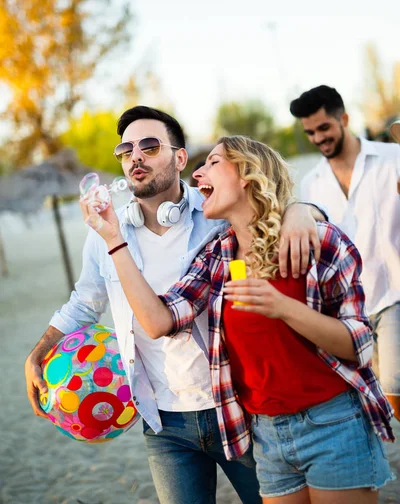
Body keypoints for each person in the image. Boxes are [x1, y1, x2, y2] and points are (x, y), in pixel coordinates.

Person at [25, 106, 324, 504]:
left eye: (149, 146)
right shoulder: (104, 233)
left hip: (237, 405)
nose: (136, 156)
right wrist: (38, 352)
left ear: (180, 158)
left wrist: (303, 211)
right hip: (162, 422)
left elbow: (273, 206)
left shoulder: (217, 214)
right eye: (126, 149)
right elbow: (85, 300)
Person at [82, 135, 395, 503]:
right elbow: (158, 321)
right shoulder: (218, 256)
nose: (197, 173)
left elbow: (359, 345)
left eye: (212, 162)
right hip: (266, 437)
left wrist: (284, 308)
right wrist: (114, 239)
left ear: (247, 173)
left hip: (333, 424)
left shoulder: (321, 241)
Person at [290, 85, 400, 421]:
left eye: (324, 128)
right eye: (310, 132)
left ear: (345, 119)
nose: (318, 138)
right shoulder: (311, 184)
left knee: (395, 393)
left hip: (394, 296)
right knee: (375, 403)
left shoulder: (391, 158)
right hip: (351, 310)